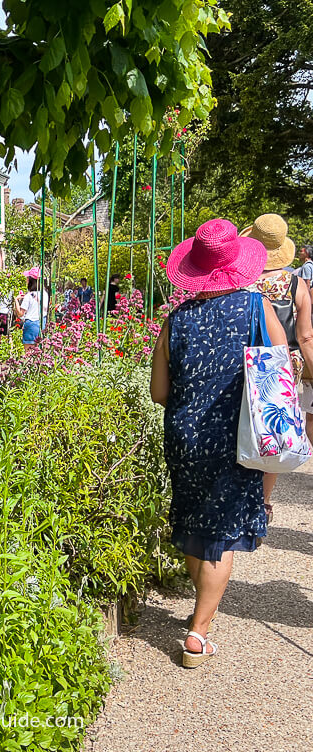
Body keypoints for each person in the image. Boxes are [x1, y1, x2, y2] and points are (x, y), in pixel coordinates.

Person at [150, 218, 286, 669]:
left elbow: (159, 393)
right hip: (235, 436)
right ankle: (198, 632)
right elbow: (278, 364)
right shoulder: (254, 308)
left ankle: (199, 608)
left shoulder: (176, 319)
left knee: (195, 521)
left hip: (185, 437)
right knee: (221, 534)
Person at [241, 214, 313, 524]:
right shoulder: (296, 284)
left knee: (244, 425)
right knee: (273, 430)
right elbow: (306, 336)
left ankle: (242, 495)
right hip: (283, 366)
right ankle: (265, 501)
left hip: (247, 361)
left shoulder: (243, 280)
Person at [14, 267, 47, 349]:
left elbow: (20, 314)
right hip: (42, 323)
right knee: (39, 352)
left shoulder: (28, 296)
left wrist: (16, 300)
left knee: (29, 354)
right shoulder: (45, 294)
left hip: (31, 325)